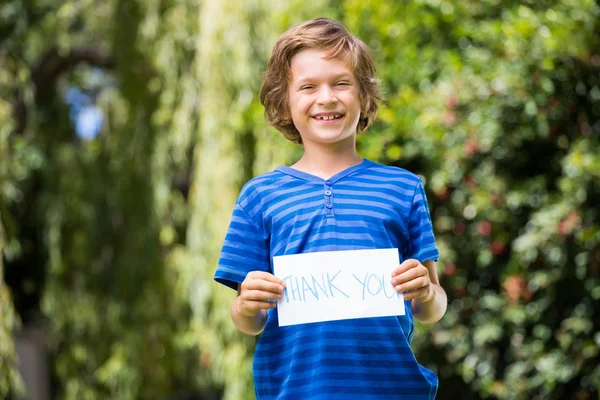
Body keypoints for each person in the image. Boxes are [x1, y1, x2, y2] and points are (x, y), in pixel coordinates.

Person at [214, 17, 447, 399]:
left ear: (364, 95)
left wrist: (423, 292)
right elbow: (247, 322)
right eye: (308, 87)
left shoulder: (403, 188)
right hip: (296, 391)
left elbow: (434, 307)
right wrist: (246, 302)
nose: (326, 98)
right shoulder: (259, 196)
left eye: (341, 83)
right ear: (284, 102)